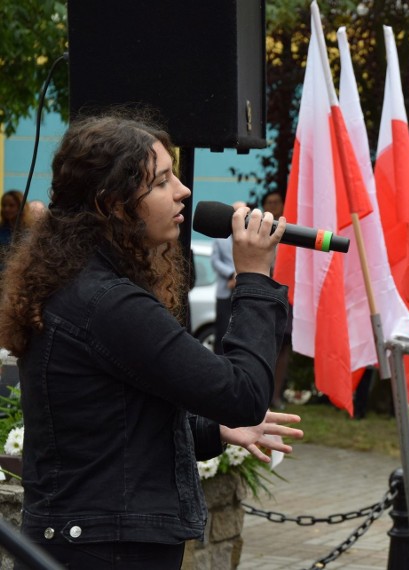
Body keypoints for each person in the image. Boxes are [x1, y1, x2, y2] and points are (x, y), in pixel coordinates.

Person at [0, 113, 303, 569]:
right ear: (114, 204)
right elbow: (242, 394)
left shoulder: (81, 284)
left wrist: (211, 428)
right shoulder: (107, 302)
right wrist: (255, 276)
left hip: (92, 538)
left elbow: (109, 423)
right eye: (162, 181)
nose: (182, 190)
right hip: (106, 549)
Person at [261, 190, 292, 410]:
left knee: (283, 346)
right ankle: (261, 392)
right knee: (265, 344)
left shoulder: (290, 232)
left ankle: (276, 394)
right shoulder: (257, 229)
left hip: (286, 294)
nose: (273, 205)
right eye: (268, 202)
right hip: (265, 292)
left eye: (276, 202)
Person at [210, 201, 246, 355]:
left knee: (242, 331)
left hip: (242, 289)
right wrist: (231, 274)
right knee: (222, 329)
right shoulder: (220, 237)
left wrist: (238, 277)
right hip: (225, 290)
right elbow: (215, 261)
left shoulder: (249, 237)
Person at [0, 190, 30, 272]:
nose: (6, 209)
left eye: (11, 205)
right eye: (4, 205)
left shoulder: (29, 231)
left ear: (21, 207)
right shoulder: (1, 229)